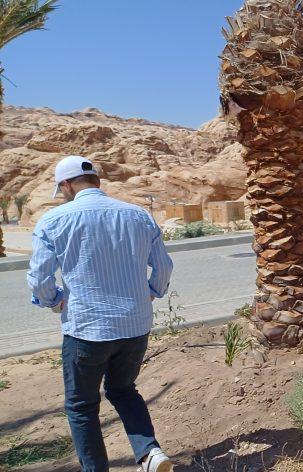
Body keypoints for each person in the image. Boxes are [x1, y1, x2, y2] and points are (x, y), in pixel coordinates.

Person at [26, 155, 175, 472]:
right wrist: (151, 292)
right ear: (97, 180)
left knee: (81, 405)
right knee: (124, 390)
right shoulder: (138, 215)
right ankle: (150, 453)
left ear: (66, 185)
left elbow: (39, 279)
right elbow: (163, 267)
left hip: (86, 329)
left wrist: (54, 301)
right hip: (135, 326)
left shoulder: (53, 221)